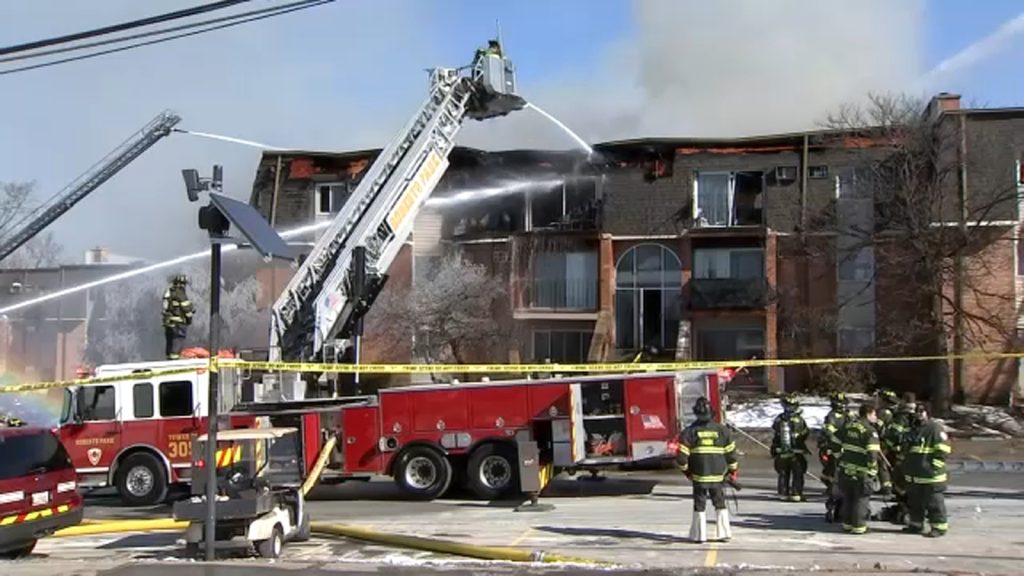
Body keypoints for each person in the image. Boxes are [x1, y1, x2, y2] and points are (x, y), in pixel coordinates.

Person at [676, 397, 739, 543]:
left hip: (698, 476)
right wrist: (732, 471)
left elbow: (681, 459)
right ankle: (724, 533)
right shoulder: (723, 431)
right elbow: (731, 455)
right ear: (712, 412)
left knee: (699, 505)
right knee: (720, 503)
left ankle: (699, 535)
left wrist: (687, 472)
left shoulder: (689, 432)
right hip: (718, 476)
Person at [902, 402, 951, 537]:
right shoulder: (912, 429)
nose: (918, 414)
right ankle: (916, 525)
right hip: (914, 475)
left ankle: (939, 527)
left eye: (921, 411)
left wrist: (932, 467)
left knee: (934, 502)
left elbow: (944, 450)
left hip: (931, 475)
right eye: (916, 411)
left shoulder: (935, 428)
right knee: (914, 502)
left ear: (927, 413)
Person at [837, 402, 883, 534]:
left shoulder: (848, 426)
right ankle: (859, 527)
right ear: (868, 414)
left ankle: (847, 524)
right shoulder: (870, 431)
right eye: (874, 414)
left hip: (845, 470)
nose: (876, 418)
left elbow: (834, 441)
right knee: (861, 499)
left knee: (848, 498)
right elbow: (872, 453)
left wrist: (838, 456)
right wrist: (872, 469)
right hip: (861, 472)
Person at [879, 396, 916, 524]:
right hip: (914, 458)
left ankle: (905, 509)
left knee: (899, 485)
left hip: (899, 456)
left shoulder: (900, 419)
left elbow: (892, 436)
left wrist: (884, 447)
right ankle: (913, 509)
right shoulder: (918, 420)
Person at [771, 393, 810, 502]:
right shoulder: (799, 420)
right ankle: (796, 493)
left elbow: (775, 434)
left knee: (783, 473)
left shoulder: (779, 419)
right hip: (796, 452)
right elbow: (805, 433)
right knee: (798, 472)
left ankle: (783, 493)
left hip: (781, 452)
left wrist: (775, 448)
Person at [819, 391, 850, 521]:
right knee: (832, 478)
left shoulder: (849, 416)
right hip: (834, 452)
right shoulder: (831, 417)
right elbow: (829, 433)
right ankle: (832, 506)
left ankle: (842, 508)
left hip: (846, 452)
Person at [162, 274, 194, 360]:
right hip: (178, 325)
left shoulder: (169, 292)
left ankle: (169, 360)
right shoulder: (180, 293)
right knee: (178, 343)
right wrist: (189, 318)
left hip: (168, 324)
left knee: (170, 344)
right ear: (181, 284)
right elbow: (187, 309)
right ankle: (174, 363)